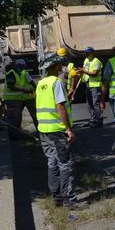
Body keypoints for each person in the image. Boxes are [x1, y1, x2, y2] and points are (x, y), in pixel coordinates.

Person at [35, 53, 83, 209]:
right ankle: (69, 199)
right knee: (65, 164)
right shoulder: (57, 83)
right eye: (60, 65)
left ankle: (57, 198)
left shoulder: (41, 83)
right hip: (57, 130)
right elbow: (60, 107)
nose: (62, 67)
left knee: (52, 163)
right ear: (55, 67)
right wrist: (68, 129)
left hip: (44, 130)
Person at [4, 59, 37, 138]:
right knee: (15, 118)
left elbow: (33, 84)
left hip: (24, 98)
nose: (22, 68)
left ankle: (40, 133)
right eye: (21, 66)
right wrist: (24, 90)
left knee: (32, 117)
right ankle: (14, 135)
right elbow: (10, 86)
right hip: (14, 100)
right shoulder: (11, 73)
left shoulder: (24, 73)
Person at [81, 47, 104, 127]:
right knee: (89, 103)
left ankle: (99, 121)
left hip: (95, 85)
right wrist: (79, 71)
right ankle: (92, 119)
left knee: (95, 104)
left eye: (88, 53)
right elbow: (84, 69)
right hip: (87, 84)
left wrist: (83, 71)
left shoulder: (96, 61)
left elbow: (95, 73)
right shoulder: (86, 60)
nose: (86, 54)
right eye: (85, 53)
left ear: (92, 53)